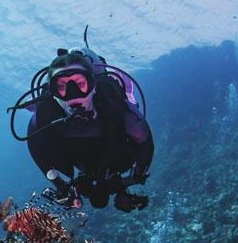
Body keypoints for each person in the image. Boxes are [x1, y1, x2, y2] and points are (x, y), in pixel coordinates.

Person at [23, 48, 154, 212]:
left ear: (93, 85)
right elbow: (38, 152)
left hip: (116, 156)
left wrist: (137, 175)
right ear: (53, 92)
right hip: (82, 162)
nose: (73, 94)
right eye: (62, 86)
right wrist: (61, 185)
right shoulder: (44, 119)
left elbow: (145, 146)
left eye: (80, 84)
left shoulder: (119, 112)